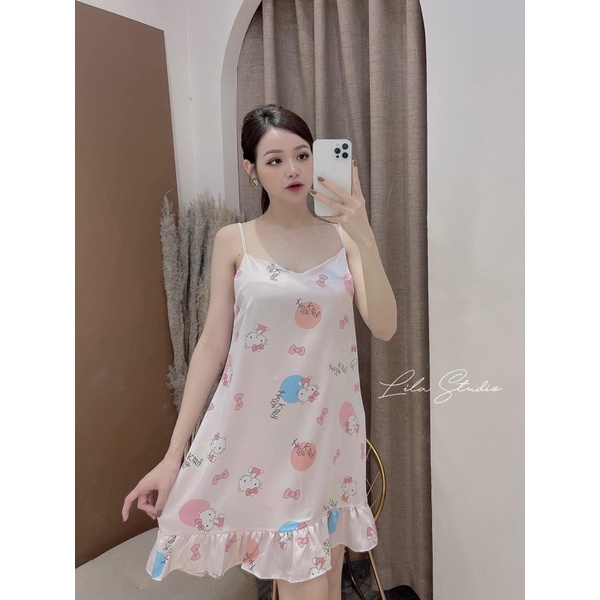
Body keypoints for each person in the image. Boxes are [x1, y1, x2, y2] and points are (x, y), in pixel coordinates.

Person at [122, 104, 397, 600]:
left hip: (332, 434)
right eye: (275, 160)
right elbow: (212, 345)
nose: (293, 169)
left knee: (327, 583)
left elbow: (385, 326)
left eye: (302, 155)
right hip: (262, 439)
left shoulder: (344, 239)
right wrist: (173, 456)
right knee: (307, 588)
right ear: (252, 170)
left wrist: (364, 234)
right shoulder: (234, 242)